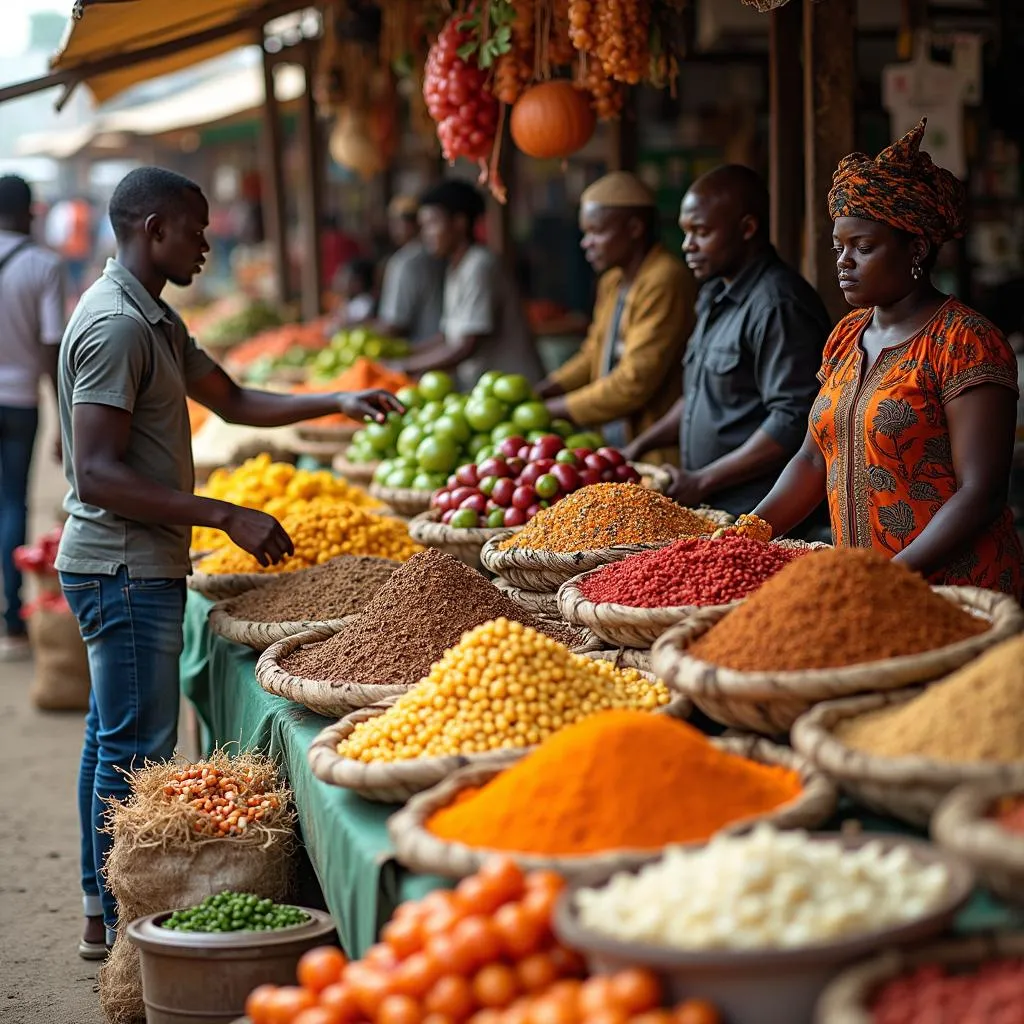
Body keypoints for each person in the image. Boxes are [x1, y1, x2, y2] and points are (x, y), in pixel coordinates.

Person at [55, 167, 401, 959]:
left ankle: (98, 907)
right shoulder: (114, 325)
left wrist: (334, 402)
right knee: (133, 747)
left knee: (111, 737)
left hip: (132, 563)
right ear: (152, 228)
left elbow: (236, 401)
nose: (209, 243)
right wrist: (226, 513)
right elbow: (99, 474)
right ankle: (121, 923)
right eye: (195, 228)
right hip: (123, 567)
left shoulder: (157, 319)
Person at [754, 120, 1024, 597]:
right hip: (865, 591)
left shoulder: (964, 341)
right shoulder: (844, 337)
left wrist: (891, 577)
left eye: (863, 247)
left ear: (916, 249)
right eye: (839, 247)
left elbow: (980, 492)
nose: (844, 261)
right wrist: (751, 530)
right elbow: (815, 461)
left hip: (953, 592)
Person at [624, 165, 832, 517]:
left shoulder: (779, 304)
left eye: (701, 232)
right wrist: (640, 446)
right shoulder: (713, 295)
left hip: (762, 513)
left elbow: (793, 419)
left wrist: (702, 479)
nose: (688, 246)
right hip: (713, 506)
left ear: (747, 229)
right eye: (686, 233)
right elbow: (698, 396)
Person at [536, 172, 695, 461]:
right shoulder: (612, 282)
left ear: (634, 228)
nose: (586, 243)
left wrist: (550, 409)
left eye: (596, 232)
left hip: (653, 451)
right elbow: (592, 352)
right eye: (585, 233)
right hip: (613, 443)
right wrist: (546, 389)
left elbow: (633, 382)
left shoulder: (665, 279)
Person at [0, 175, 65, 661]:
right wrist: (65, 417)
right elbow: (50, 346)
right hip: (21, 400)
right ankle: (12, 623)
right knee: (11, 503)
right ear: (29, 212)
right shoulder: (43, 265)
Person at [396, 180, 543, 389]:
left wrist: (404, 367)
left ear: (460, 222)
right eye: (423, 226)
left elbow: (466, 345)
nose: (426, 234)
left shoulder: (480, 266)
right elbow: (448, 337)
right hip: (486, 391)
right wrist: (402, 353)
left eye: (432, 224)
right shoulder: (456, 268)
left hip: (514, 388)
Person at [371, 195, 444, 343]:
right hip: (438, 346)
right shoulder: (438, 254)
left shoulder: (406, 261)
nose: (395, 228)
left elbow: (395, 324)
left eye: (399, 222)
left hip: (420, 350)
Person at [336, 257, 377, 326]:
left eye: (347, 278)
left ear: (358, 282)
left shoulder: (364, 303)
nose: (342, 282)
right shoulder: (350, 301)